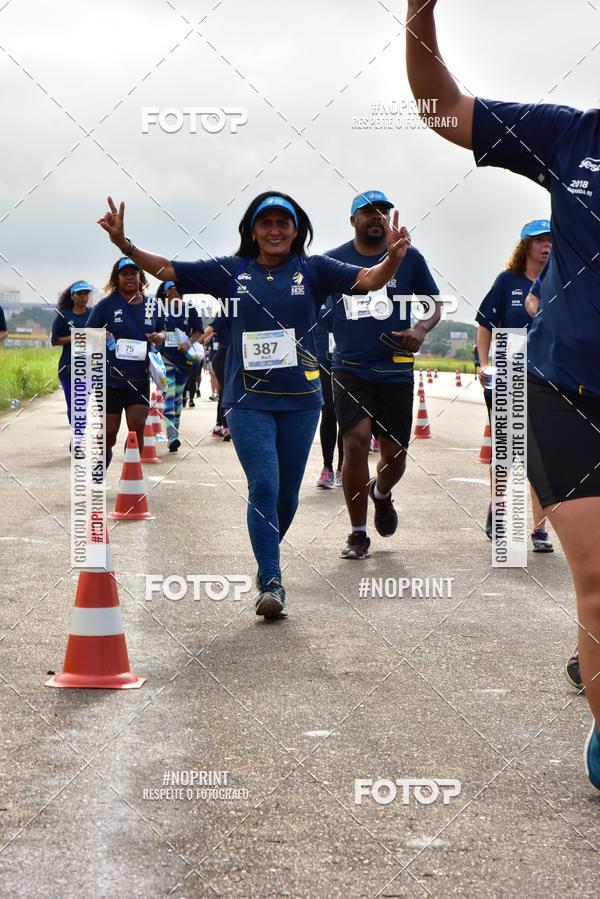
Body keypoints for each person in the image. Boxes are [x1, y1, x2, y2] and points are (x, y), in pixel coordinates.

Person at [406, 0, 600, 789]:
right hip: (565, 389)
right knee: (597, 579)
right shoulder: (571, 135)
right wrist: (420, 13)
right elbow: (441, 108)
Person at [98, 191, 411, 619]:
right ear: (252, 230)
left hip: (302, 401)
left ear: (296, 229)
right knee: (263, 485)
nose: (275, 230)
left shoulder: (315, 269)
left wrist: (393, 258)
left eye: (284, 223)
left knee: (286, 498)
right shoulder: (231, 270)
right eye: (267, 223)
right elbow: (169, 268)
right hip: (248, 401)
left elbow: (372, 279)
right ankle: (272, 578)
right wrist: (125, 245)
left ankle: (267, 560)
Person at [324, 190, 441, 560]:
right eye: (368, 212)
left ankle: (382, 493)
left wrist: (420, 329)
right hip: (350, 368)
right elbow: (317, 307)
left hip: (395, 370)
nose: (377, 217)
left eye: (383, 212)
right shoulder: (334, 260)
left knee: (396, 456)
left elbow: (434, 302)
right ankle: (357, 533)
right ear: (353, 220)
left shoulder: (409, 256)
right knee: (355, 443)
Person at [476, 220, 554, 550]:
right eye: (539, 241)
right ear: (525, 246)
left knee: (543, 458)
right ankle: (498, 509)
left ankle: (539, 529)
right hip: (509, 372)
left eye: (550, 239)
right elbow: (485, 325)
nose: (546, 245)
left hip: (549, 377)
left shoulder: (558, 282)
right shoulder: (506, 281)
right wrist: (483, 363)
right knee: (506, 453)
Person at [86, 258, 165, 466]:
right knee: (109, 431)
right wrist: (100, 335)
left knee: (137, 425)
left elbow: (165, 332)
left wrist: (160, 336)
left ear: (141, 278)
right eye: (124, 273)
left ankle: (130, 473)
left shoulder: (152, 306)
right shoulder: (105, 305)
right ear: (116, 278)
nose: (129, 277)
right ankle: (104, 456)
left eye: (134, 273)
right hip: (110, 379)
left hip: (138, 377)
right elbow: (87, 334)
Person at [156, 281, 204, 452]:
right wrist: (157, 337)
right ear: (166, 292)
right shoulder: (159, 309)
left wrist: (189, 343)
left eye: (179, 288)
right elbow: (152, 329)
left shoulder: (190, 309)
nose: (176, 291)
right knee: (169, 395)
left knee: (178, 398)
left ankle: (174, 430)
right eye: (172, 288)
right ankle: (172, 435)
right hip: (165, 357)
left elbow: (199, 331)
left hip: (185, 360)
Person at [50, 281, 92, 424]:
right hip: (68, 368)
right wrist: (75, 336)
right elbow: (55, 341)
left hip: (89, 368)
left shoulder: (93, 314)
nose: (83, 297)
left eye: (86, 294)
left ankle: (77, 438)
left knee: (81, 405)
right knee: (73, 406)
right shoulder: (63, 316)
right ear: (72, 296)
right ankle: (77, 434)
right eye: (79, 294)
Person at [314, 301, 343, 487]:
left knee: (345, 414)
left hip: (346, 362)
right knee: (329, 411)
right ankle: (327, 468)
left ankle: (342, 467)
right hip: (322, 361)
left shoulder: (346, 291)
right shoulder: (317, 292)